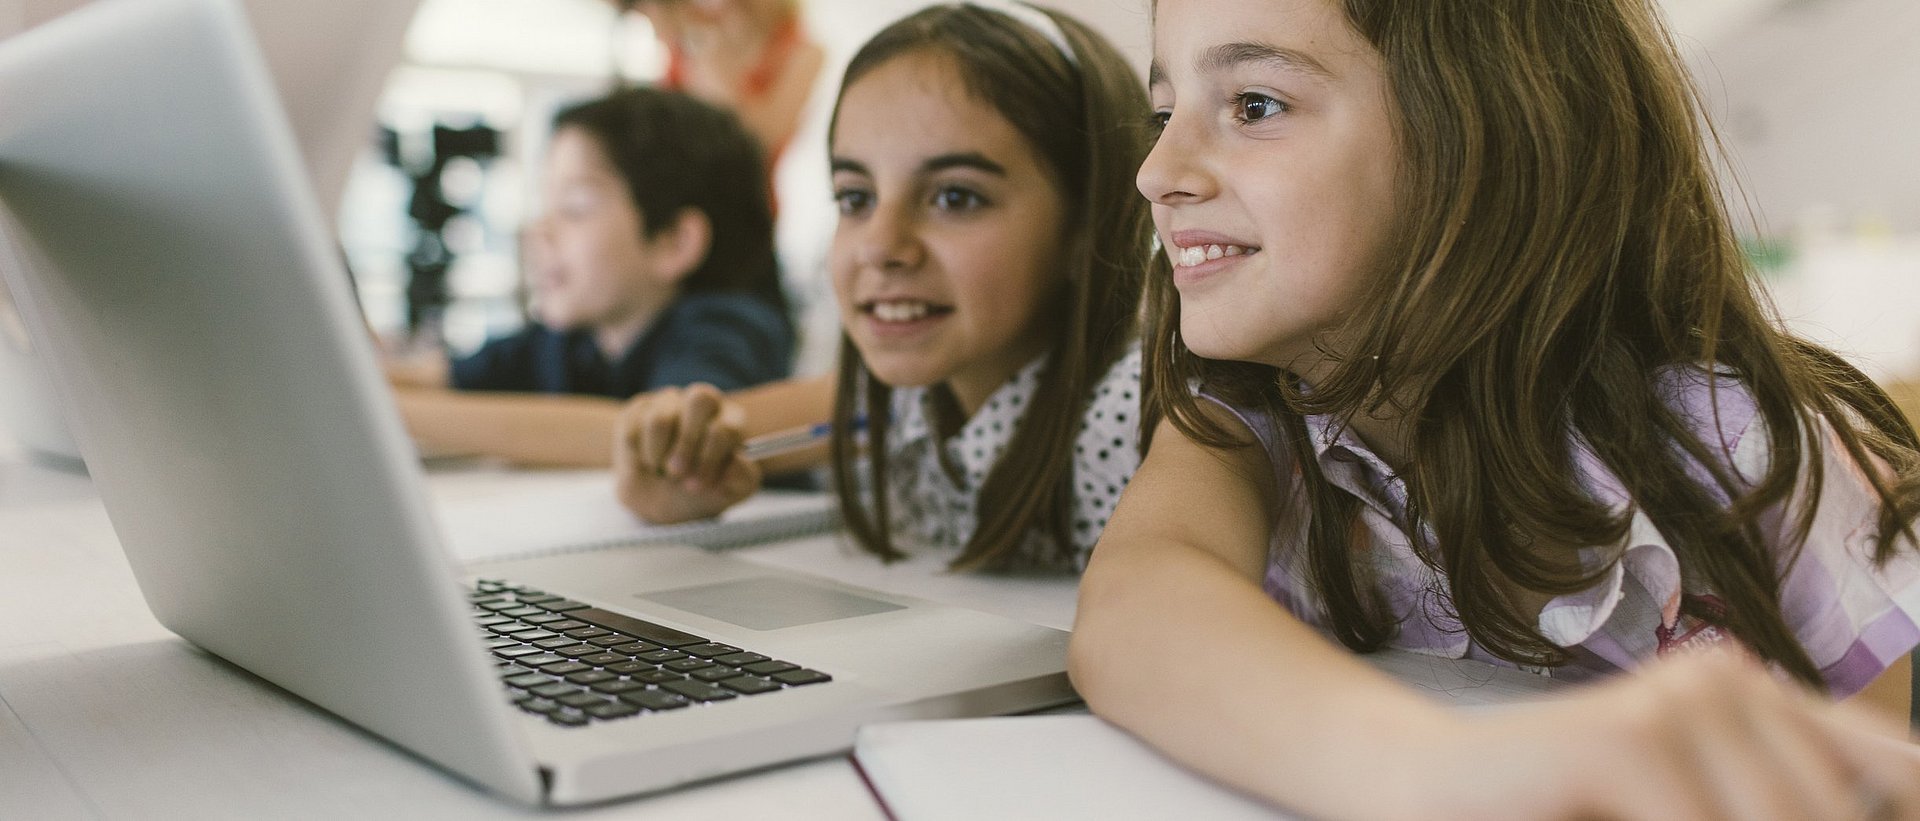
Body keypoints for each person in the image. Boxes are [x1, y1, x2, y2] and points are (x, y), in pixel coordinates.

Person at [1069, 0, 1920, 818]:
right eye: (1164, 111)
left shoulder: (1743, 451)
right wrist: (1453, 774)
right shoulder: (1250, 417)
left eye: (1255, 105)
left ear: (1483, 140)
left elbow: (1867, 783)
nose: (1156, 171)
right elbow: (1135, 610)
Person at [611, 3, 1154, 573]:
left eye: (955, 198)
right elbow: (695, 435)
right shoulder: (904, 400)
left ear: (1087, 225)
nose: (880, 245)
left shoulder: (1140, 419)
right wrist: (665, 467)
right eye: (856, 199)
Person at [390, 86, 793, 467]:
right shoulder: (571, 340)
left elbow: (650, 439)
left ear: (673, 242)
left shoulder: (726, 329)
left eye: (574, 206)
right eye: (545, 204)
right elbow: (439, 376)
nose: (539, 230)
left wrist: (395, 412)